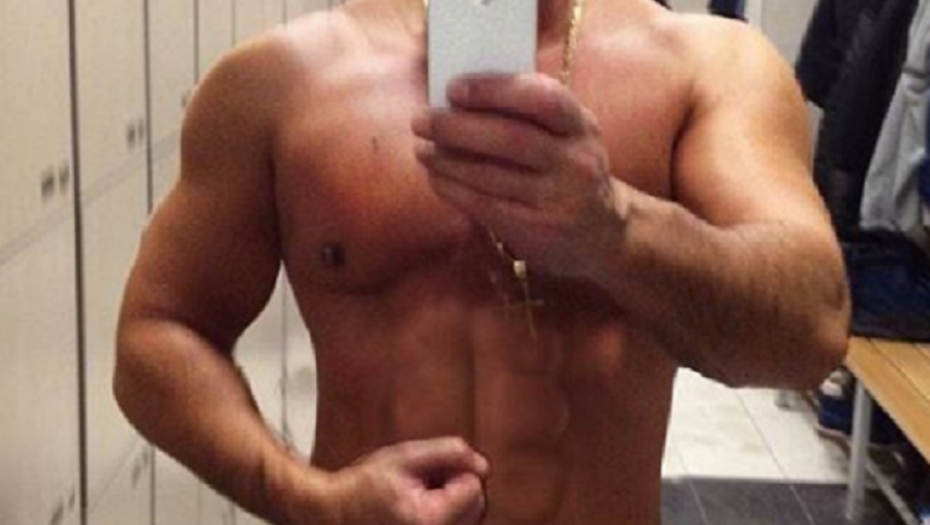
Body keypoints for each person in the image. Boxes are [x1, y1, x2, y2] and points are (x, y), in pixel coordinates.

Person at [114, 1, 851, 524]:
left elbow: (811, 332)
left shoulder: (705, 67)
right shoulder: (280, 82)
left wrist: (614, 230)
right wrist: (309, 502)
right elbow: (157, 333)